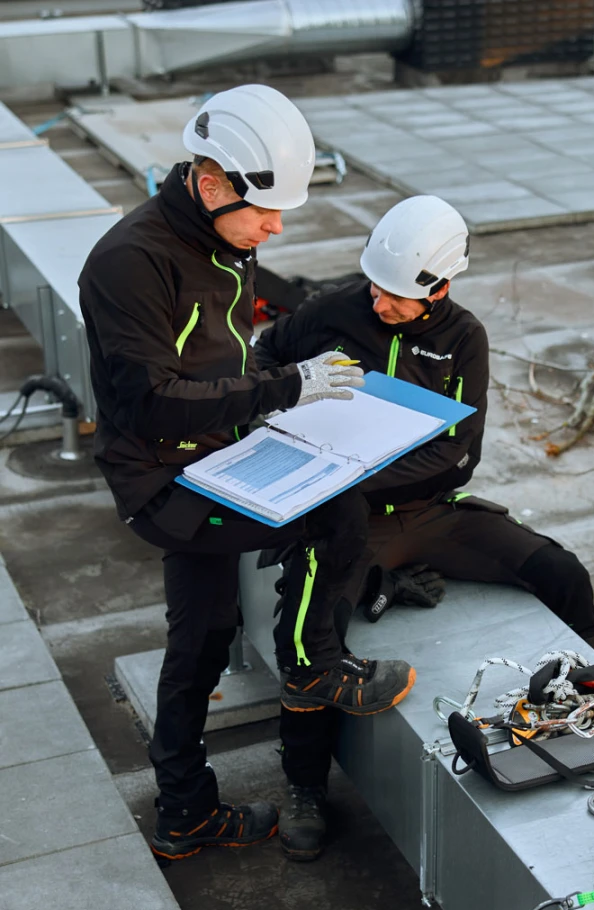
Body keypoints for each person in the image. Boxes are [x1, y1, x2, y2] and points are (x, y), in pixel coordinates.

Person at [78, 85, 415, 864]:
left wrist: (285, 370)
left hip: (217, 449)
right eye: (265, 211)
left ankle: (184, 815)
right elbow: (152, 402)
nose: (276, 227)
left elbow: (231, 338)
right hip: (168, 481)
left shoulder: (225, 235)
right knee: (336, 511)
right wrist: (285, 387)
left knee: (201, 638)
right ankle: (316, 667)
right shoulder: (129, 263)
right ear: (209, 182)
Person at [255, 194, 594, 861]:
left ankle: (575, 697)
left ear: (439, 287)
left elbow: (456, 452)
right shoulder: (331, 311)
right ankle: (305, 787)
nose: (379, 303)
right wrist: (293, 432)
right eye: (375, 289)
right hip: (343, 516)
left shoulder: (462, 338)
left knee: (561, 572)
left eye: (395, 298)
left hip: (430, 511)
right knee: (310, 634)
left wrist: (359, 469)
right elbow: (267, 358)